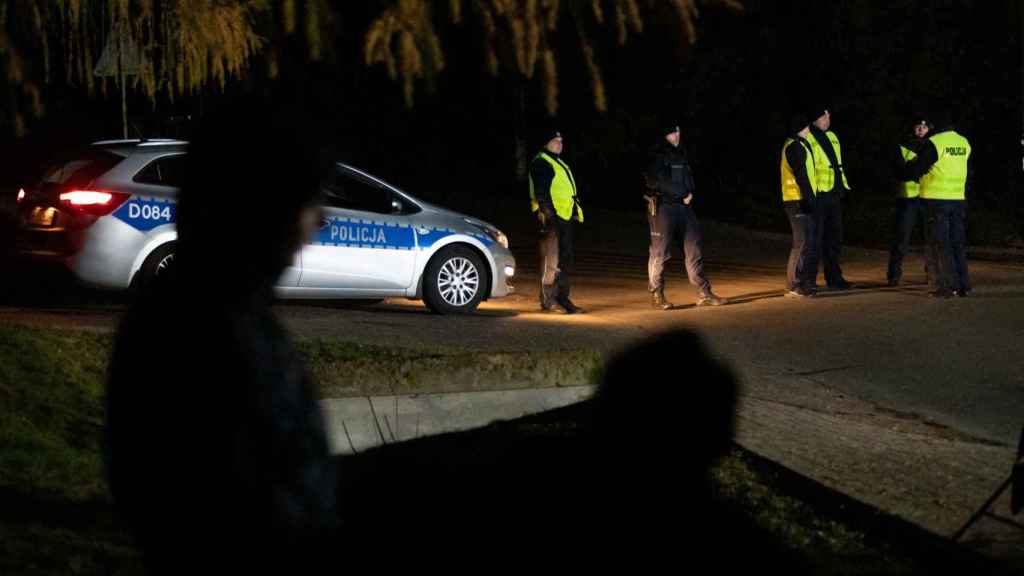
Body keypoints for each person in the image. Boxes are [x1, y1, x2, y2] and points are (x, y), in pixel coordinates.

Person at [104, 103, 339, 573]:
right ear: (261, 209)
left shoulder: (205, 313)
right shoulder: (205, 334)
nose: (315, 227)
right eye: (308, 205)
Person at [643, 123, 726, 309]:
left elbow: (688, 179)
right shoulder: (656, 154)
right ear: (665, 135)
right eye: (672, 132)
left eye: (678, 131)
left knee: (694, 247)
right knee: (660, 252)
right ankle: (656, 294)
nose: (676, 135)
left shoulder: (681, 153)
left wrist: (690, 193)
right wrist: (682, 192)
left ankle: (704, 292)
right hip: (662, 207)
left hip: (683, 207)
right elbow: (655, 181)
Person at [904, 109, 972, 298]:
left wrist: (907, 168)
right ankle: (963, 284)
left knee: (938, 244)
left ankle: (944, 286)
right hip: (958, 199)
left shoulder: (935, 143)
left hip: (936, 200)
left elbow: (917, 168)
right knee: (957, 242)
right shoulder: (963, 142)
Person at [528, 125, 584, 313]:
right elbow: (541, 192)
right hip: (552, 217)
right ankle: (549, 300)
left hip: (564, 216)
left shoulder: (557, 162)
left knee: (564, 260)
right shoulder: (542, 162)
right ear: (547, 143)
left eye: (561, 142)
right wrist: (548, 215)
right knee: (552, 259)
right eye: (555, 141)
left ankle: (562, 298)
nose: (559, 145)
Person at [805, 106, 854, 290]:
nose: (827, 120)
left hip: (834, 192)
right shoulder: (808, 137)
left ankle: (834, 278)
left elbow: (837, 163)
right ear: (815, 119)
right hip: (819, 194)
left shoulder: (833, 136)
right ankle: (809, 280)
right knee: (815, 239)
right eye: (824, 117)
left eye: (829, 116)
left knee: (835, 238)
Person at [887, 117, 931, 286]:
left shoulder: (932, 146)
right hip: (907, 199)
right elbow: (900, 172)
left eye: (924, 127)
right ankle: (894, 275)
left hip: (928, 197)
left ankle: (932, 272)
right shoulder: (902, 146)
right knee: (901, 239)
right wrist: (918, 169)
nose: (921, 129)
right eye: (918, 126)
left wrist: (914, 168)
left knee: (930, 239)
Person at [780, 115, 819, 297]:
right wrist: (810, 199)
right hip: (796, 200)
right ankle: (793, 284)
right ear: (800, 129)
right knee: (801, 242)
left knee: (805, 242)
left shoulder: (798, 145)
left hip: (800, 199)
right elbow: (802, 177)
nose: (809, 130)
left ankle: (801, 282)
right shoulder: (795, 147)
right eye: (807, 127)